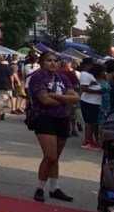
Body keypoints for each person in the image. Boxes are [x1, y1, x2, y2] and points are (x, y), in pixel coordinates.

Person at [27, 50, 78, 203]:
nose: (53, 63)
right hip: (44, 118)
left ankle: (54, 188)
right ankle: (40, 188)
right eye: (49, 60)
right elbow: (44, 101)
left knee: (56, 157)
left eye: (55, 60)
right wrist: (65, 99)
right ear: (42, 62)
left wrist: (55, 96)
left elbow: (74, 97)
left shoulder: (62, 77)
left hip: (62, 118)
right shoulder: (37, 78)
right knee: (50, 156)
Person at [77, 58, 105, 150]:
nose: (93, 66)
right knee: (89, 122)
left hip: (92, 101)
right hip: (89, 101)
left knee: (91, 121)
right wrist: (98, 91)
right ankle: (88, 141)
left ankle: (90, 141)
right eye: (91, 64)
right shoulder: (85, 75)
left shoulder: (88, 75)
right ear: (87, 65)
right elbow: (84, 88)